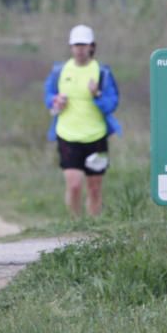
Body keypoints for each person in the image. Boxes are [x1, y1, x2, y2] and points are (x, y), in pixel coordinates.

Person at [43, 24, 121, 217]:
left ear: (92, 47)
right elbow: (48, 95)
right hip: (68, 136)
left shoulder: (102, 73)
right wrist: (55, 100)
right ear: (71, 47)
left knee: (94, 188)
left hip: (96, 137)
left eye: (83, 45)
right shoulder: (59, 71)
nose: (79, 49)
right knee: (75, 185)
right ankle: (75, 225)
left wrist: (97, 94)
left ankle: (93, 229)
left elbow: (112, 103)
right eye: (76, 45)